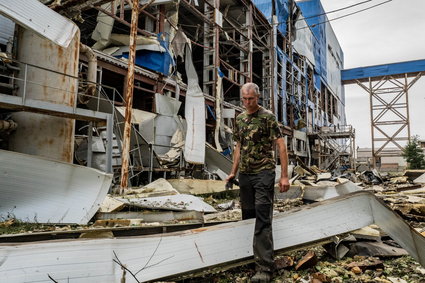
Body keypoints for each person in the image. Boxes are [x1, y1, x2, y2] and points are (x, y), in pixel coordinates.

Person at [226, 82, 289, 283]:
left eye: (250, 99)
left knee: (263, 218)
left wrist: (284, 175)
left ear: (258, 97)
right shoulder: (240, 119)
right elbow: (238, 146)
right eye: (244, 99)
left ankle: (264, 267)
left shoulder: (268, 117)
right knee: (248, 216)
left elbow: (281, 146)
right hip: (245, 174)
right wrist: (232, 172)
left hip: (264, 172)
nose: (247, 103)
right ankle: (248, 259)